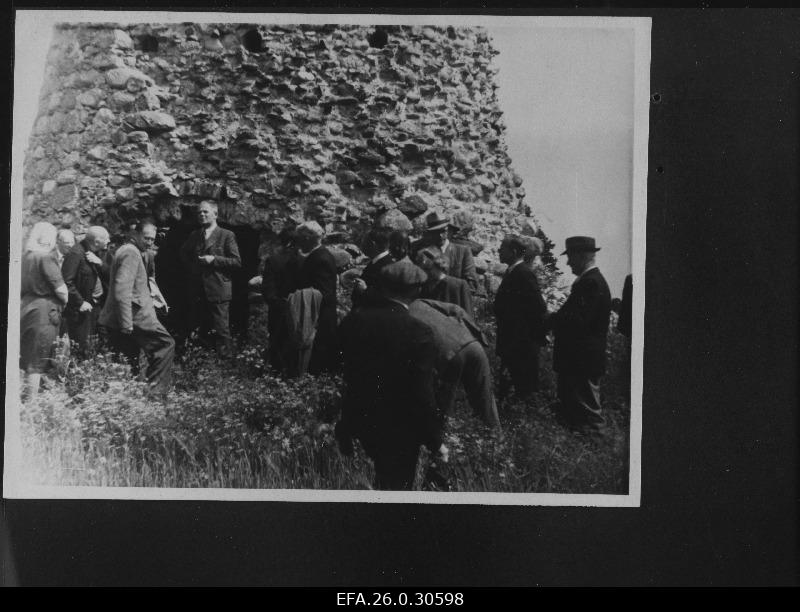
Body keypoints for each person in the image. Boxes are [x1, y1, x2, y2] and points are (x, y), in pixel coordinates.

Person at [335, 260, 448, 490]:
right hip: (400, 431)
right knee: (394, 493)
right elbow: (421, 394)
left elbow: (340, 366)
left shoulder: (354, 320)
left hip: (358, 419)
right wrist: (436, 441)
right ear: (417, 290)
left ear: (384, 287)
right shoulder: (419, 331)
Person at [547, 236, 612, 434]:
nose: (568, 262)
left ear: (582, 256)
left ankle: (596, 449)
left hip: (581, 361)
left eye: (571, 257)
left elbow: (577, 322)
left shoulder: (590, 283)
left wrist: (550, 319)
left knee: (589, 415)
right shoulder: (591, 281)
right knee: (578, 413)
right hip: (581, 360)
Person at [99, 231, 175, 398]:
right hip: (135, 315)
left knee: (128, 355)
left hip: (125, 314)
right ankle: (155, 393)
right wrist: (126, 323)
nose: (149, 242)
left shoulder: (130, 251)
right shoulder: (130, 252)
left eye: (152, 239)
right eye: (146, 238)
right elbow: (121, 290)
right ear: (135, 235)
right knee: (165, 344)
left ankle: (127, 396)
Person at [408, 298, 500, 428]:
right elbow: (457, 309)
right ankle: (497, 439)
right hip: (472, 343)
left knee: (445, 407)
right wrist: (478, 335)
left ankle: (444, 438)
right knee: (486, 402)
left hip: (449, 356)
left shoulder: (402, 317)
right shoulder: (420, 302)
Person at [179, 201, 241, 357]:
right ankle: (201, 362)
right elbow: (183, 254)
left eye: (205, 212)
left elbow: (236, 262)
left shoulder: (226, 235)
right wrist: (194, 269)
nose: (201, 215)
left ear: (216, 214)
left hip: (218, 289)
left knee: (221, 329)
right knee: (199, 326)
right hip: (198, 290)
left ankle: (226, 365)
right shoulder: (195, 235)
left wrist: (214, 259)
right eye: (199, 212)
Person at [494, 234, 548, 400]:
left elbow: (538, 308)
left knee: (521, 390)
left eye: (502, 248)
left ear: (514, 251)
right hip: (512, 343)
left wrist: (528, 336)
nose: (498, 250)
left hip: (521, 345)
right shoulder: (514, 272)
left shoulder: (523, 273)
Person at [19, 222, 69, 399]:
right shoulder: (46, 257)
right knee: (38, 359)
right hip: (44, 310)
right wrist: (65, 300)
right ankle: (31, 404)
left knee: (27, 356)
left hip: (26, 306)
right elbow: (61, 289)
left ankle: (27, 396)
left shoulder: (26, 256)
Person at [295, 221, 338, 374]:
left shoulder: (321, 258)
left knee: (318, 359)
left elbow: (324, 293)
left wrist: (299, 297)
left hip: (320, 318)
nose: (297, 241)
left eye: (299, 238)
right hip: (318, 315)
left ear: (307, 238)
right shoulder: (318, 255)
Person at [61, 225, 110, 358]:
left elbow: (110, 276)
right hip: (81, 310)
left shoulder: (99, 253)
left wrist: (100, 263)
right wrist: (80, 302)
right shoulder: (76, 253)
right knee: (82, 348)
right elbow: (66, 281)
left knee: (98, 344)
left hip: (97, 306)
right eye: (106, 238)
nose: (109, 241)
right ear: (96, 241)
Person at [261, 227, 300, 374]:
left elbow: (267, 288)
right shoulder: (302, 259)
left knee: (277, 343)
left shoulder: (273, 259)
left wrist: (277, 303)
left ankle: (276, 374)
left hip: (278, 307)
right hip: (298, 306)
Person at [411, 211, 478, 291]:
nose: (440, 235)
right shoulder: (422, 253)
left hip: (453, 301)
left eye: (443, 231)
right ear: (430, 233)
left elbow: (472, 285)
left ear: (449, 230)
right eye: (436, 232)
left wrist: (447, 283)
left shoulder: (463, 252)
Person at [416, 247, 473, 317]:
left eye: (428, 268)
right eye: (422, 268)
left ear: (438, 264)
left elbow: (468, 318)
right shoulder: (422, 285)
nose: (425, 272)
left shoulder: (458, 286)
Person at [352, 227, 393, 309]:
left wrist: (365, 290)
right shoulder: (376, 261)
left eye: (365, 242)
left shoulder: (387, 265)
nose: (362, 245)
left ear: (372, 244)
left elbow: (385, 297)